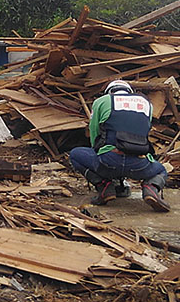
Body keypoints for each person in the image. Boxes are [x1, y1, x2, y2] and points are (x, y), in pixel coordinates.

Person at [69, 79, 170, 211]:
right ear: (129, 92)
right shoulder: (146, 103)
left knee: (75, 155)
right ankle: (150, 188)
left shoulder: (102, 101)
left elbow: (94, 132)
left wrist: (98, 153)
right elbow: (144, 130)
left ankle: (104, 186)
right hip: (139, 164)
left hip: (108, 160)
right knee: (161, 170)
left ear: (109, 92)